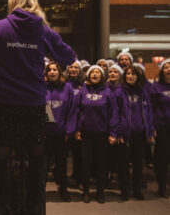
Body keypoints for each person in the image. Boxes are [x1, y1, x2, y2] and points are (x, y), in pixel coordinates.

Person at [0, 0, 76, 215]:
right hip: (33, 104)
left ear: (12, 2)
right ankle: (34, 209)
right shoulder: (42, 30)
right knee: (36, 158)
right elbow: (68, 56)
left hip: (3, 104)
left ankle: (2, 208)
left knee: (1, 157)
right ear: (34, 2)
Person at [74, 65, 118, 204]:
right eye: (92, 72)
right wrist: (77, 129)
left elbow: (114, 113)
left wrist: (113, 133)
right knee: (85, 163)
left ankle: (100, 192)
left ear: (102, 76)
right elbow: (77, 110)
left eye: (97, 72)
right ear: (88, 75)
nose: (94, 74)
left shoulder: (108, 92)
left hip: (102, 134)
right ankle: (86, 191)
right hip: (86, 133)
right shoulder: (83, 90)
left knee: (101, 164)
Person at [116, 65, 154, 201]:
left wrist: (150, 129)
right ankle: (125, 190)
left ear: (138, 77)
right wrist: (118, 133)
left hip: (140, 133)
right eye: (128, 74)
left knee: (139, 163)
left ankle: (137, 190)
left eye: (133, 74)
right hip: (125, 134)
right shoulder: (120, 92)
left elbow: (148, 112)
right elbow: (116, 113)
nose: (130, 76)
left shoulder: (143, 92)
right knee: (123, 164)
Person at [44, 61, 76, 202]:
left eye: (55, 70)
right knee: (43, 164)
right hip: (45, 132)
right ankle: (40, 191)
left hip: (61, 133)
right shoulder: (41, 87)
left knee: (61, 164)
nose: (52, 72)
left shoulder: (67, 87)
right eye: (49, 70)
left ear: (59, 72)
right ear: (46, 73)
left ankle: (63, 189)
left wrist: (69, 131)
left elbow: (72, 110)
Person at [151, 58, 170, 198]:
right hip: (162, 126)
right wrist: (152, 126)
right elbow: (150, 108)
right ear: (162, 71)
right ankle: (162, 186)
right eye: (166, 67)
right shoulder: (155, 87)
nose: (169, 70)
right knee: (162, 158)